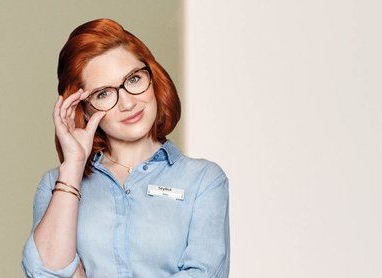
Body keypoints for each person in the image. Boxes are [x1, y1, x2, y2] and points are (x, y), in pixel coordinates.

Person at [21, 18, 230, 277]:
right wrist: (73, 166)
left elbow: (203, 273)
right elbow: (45, 272)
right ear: (84, 109)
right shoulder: (56, 184)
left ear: (153, 77)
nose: (128, 103)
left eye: (133, 79)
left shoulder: (203, 181)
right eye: (104, 94)